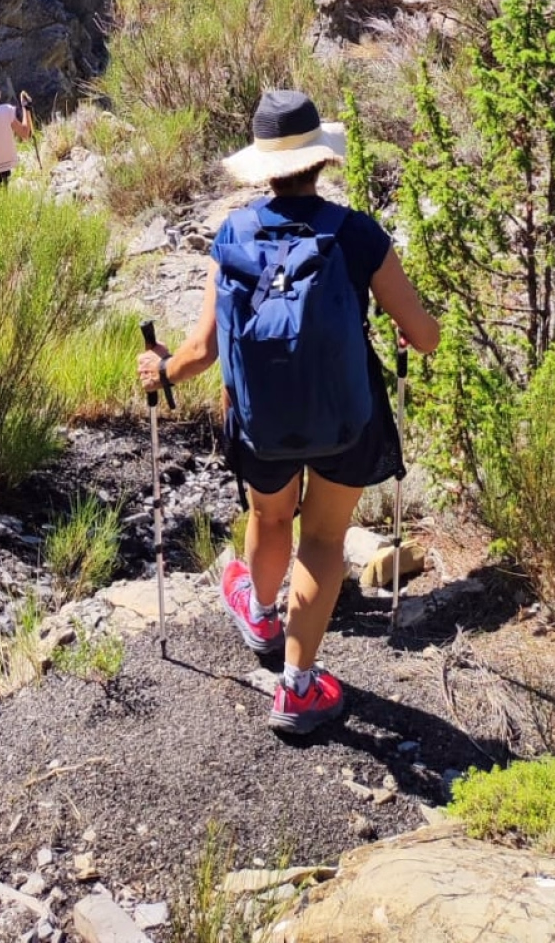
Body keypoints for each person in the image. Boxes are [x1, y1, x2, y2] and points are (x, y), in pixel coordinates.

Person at [137, 87, 440, 739]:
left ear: (264, 166)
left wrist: (158, 370)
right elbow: (423, 334)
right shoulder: (357, 233)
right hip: (343, 417)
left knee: (270, 515)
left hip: (261, 423)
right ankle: (299, 688)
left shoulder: (233, 233)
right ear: (320, 161)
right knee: (325, 539)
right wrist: (419, 319)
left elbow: (200, 349)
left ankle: (262, 614)